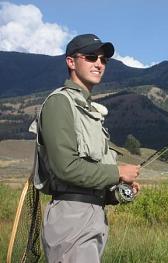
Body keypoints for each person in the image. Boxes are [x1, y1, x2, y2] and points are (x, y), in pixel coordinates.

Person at [30, 34, 140, 262]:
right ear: (71, 62)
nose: (99, 63)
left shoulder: (89, 110)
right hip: (71, 217)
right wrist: (117, 172)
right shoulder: (60, 103)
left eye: (103, 60)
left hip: (93, 215)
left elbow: (88, 172)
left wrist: (116, 190)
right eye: (91, 57)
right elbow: (66, 168)